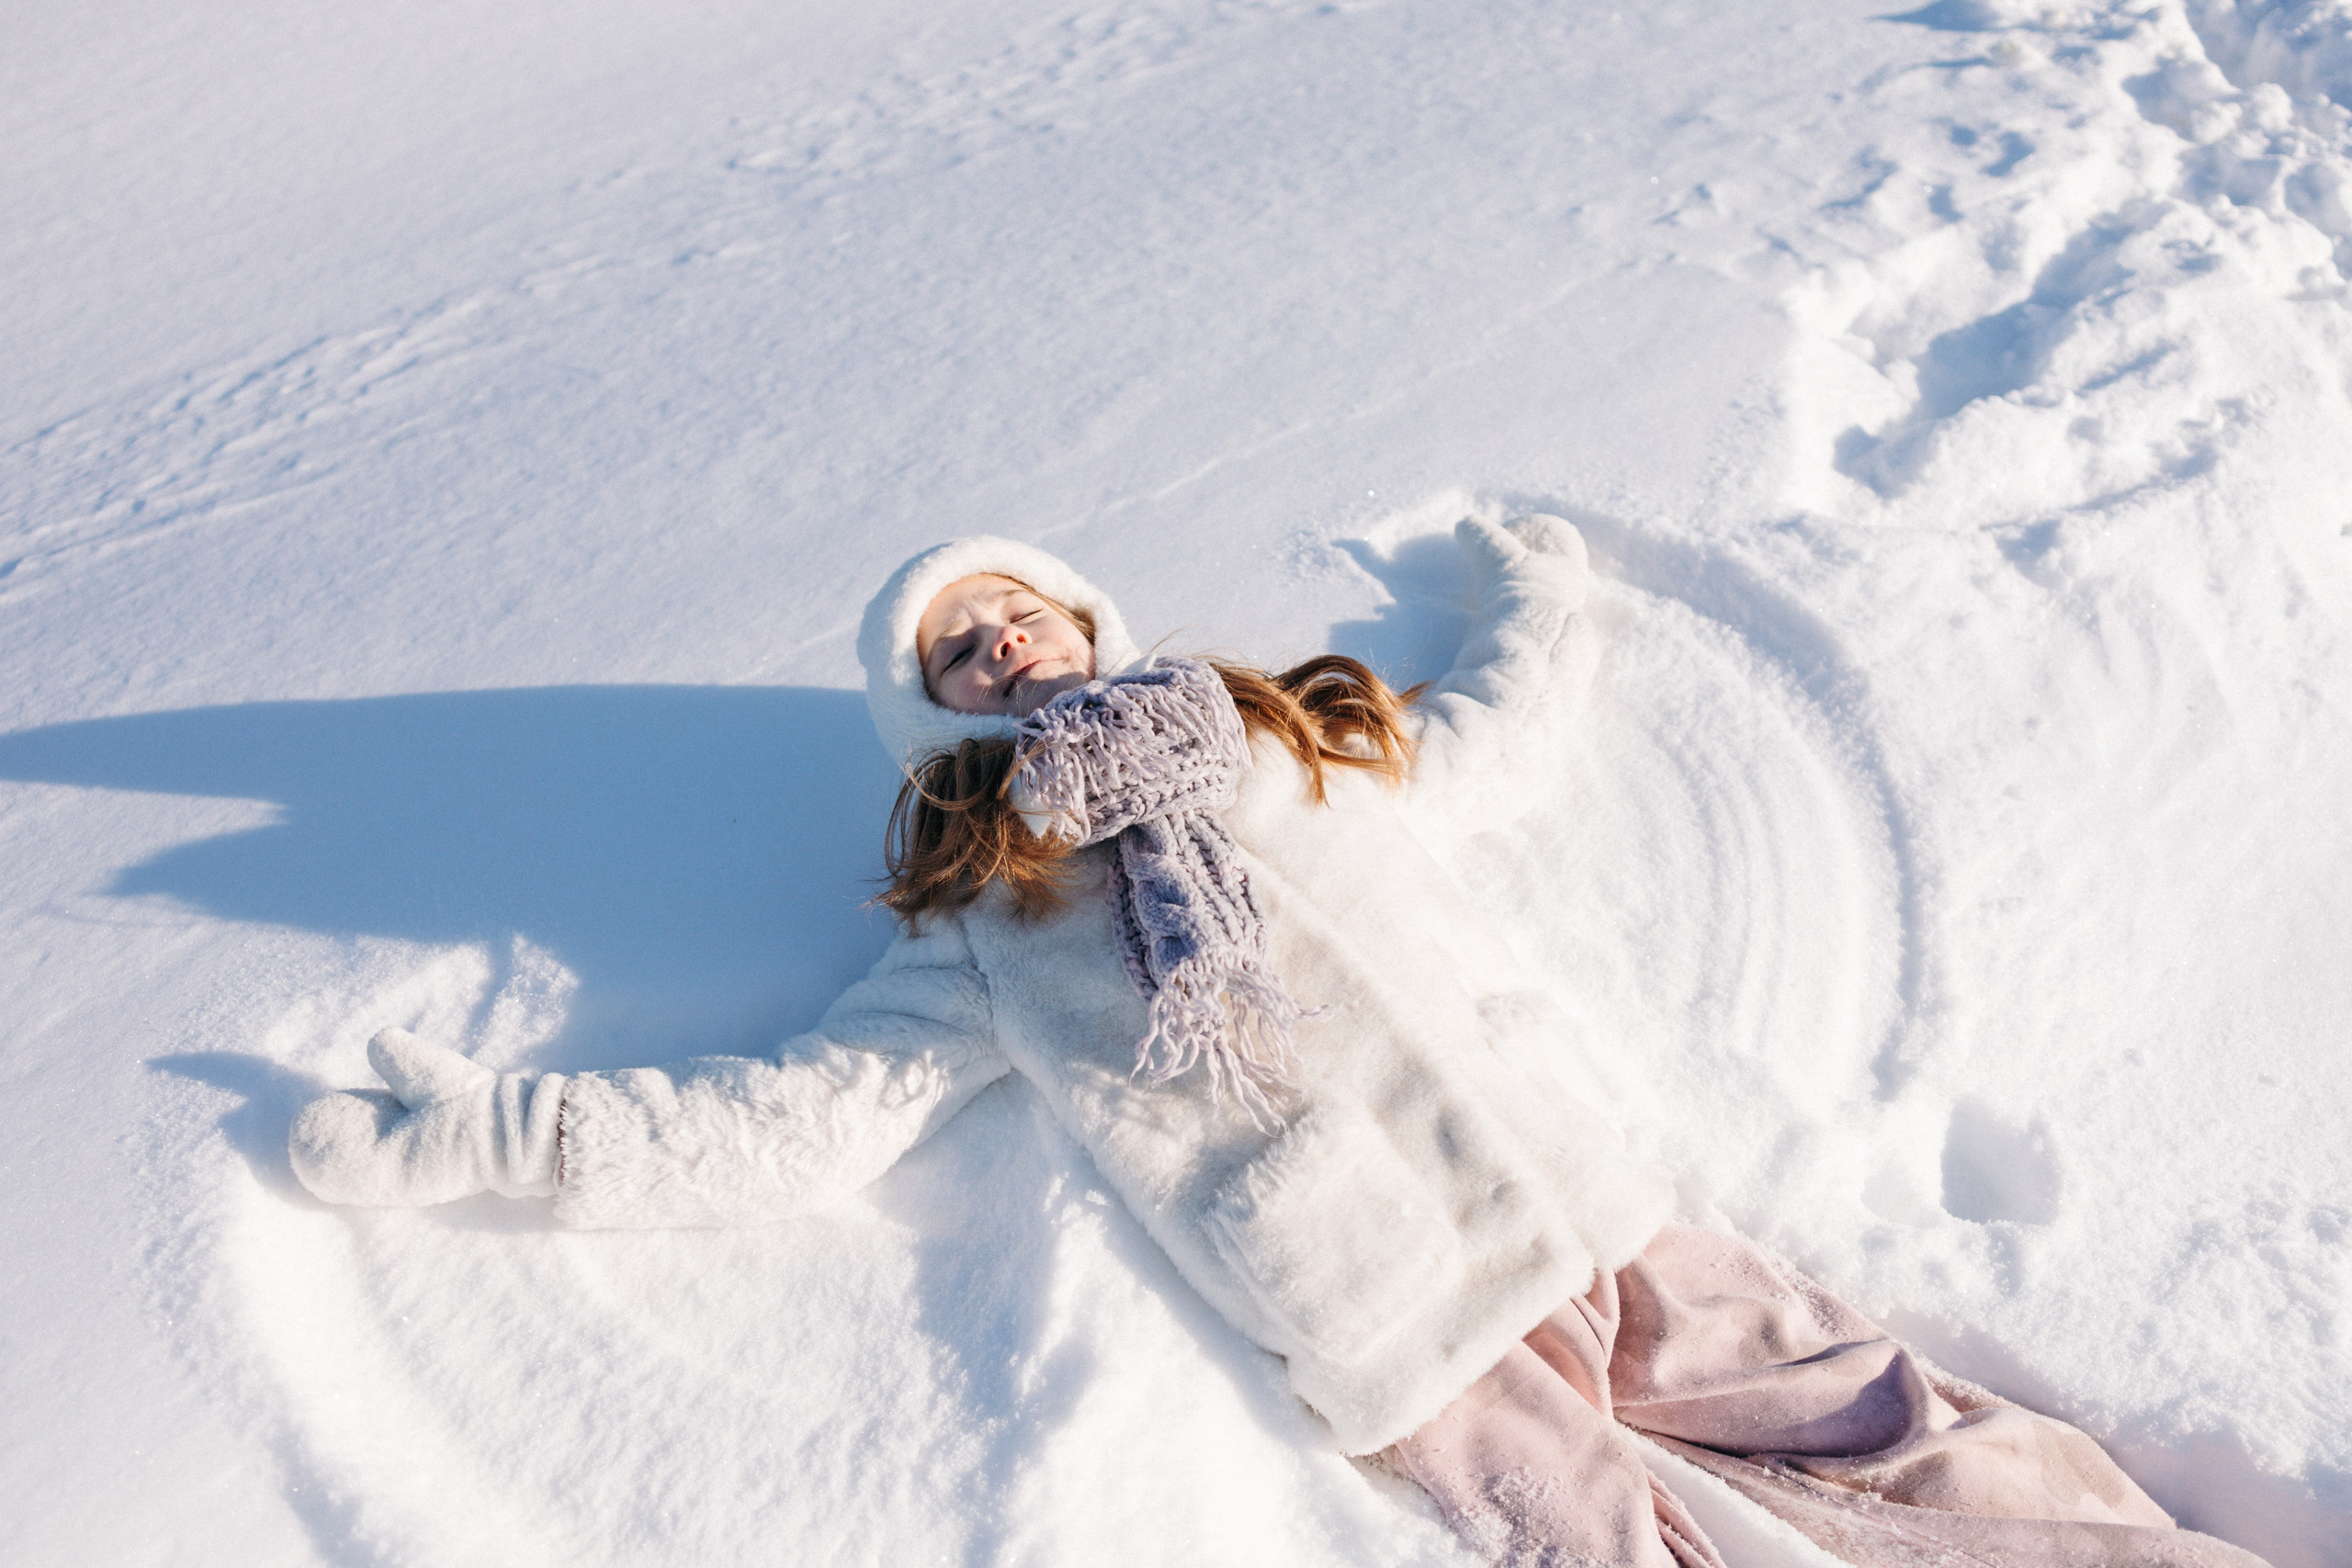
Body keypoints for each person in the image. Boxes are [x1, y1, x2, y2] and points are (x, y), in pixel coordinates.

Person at [289, 522, 2266, 1567]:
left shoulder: (1274, 738)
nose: (1000, 653)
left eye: (1013, 616)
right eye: (954, 654)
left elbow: (1481, 735)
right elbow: (796, 1116)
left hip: (1577, 1196)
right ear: (938, 718)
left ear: (1080, 617)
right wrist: (510, 1136)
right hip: (1392, 1312)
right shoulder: (996, 907)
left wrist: (1542, 602)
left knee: (1882, 1422)